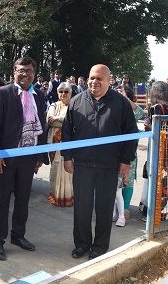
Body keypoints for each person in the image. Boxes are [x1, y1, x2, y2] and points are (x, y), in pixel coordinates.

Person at [62, 64, 138, 260]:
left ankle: (100, 247)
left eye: (99, 78)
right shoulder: (76, 101)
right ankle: (81, 244)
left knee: (104, 208)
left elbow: (131, 133)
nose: (94, 82)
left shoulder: (121, 103)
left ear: (108, 81)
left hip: (109, 164)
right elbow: (67, 132)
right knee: (82, 208)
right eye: (91, 78)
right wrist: (67, 156)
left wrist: (126, 160)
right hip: (83, 163)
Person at [0, 56, 49, 261]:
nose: (25, 74)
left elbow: (42, 124)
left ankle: (18, 235)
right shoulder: (3, 93)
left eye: (29, 71)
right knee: (2, 198)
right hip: (6, 157)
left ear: (34, 73)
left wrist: (40, 154)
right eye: (21, 70)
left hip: (29, 156)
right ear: (14, 72)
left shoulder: (38, 95)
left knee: (23, 198)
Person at [141, 81, 168, 221]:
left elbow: (155, 127)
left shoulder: (157, 107)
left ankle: (156, 211)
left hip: (159, 143)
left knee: (157, 174)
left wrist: (147, 125)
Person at [112, 85, 144, 227]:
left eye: (121, 92)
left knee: (127, 180)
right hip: (113, 151)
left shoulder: (131, 109)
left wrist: (124, 98)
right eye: (116, 92)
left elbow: (140, 112)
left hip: (128, 151)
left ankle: (125, 209)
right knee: (114, 183)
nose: (118, 94)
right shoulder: (112, 106)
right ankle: (113, 210)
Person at [46, 82, 74, 207]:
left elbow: (72, 122)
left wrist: (57, 119)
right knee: (55, 168)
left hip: (68, 142)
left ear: (71, 93)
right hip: (53, 142)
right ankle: (55, 195)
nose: (63, 94)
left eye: (66, 91)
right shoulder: (54, 105)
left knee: (67, 170)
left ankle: (68, 197)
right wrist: (62, 121)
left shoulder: (74, 106)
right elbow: (49, 120)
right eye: (60, 91)